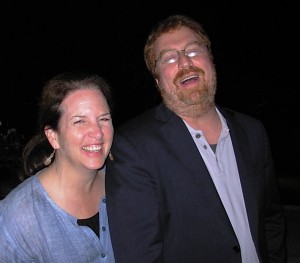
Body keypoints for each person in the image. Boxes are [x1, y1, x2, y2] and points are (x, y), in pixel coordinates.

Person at [105, 14, 286, 263]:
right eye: (168, 57)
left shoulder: (253, 132)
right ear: (158, 80)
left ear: (210, 58)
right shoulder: (133, 146)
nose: (184, 63)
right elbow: (140, 254)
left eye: (192, 50)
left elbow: (271, 220)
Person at [0, 72, 115, 262]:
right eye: (80, 121)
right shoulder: (17, 218)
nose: (97, 132)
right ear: (53, 136)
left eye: (103, 119)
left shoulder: (128, 182)